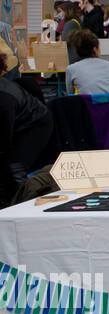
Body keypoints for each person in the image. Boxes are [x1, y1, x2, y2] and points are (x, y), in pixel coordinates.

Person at [0, 51, 54, 208]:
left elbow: (3, 144)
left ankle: (21, 205)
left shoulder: (4, 99)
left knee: (14, 164)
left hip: (35, 124)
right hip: (18, 121)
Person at [64, 29, 109, 95]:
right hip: (107, 104)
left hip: (84, 104)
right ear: (95, 49)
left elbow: (70, 93)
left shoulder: (71, 69)